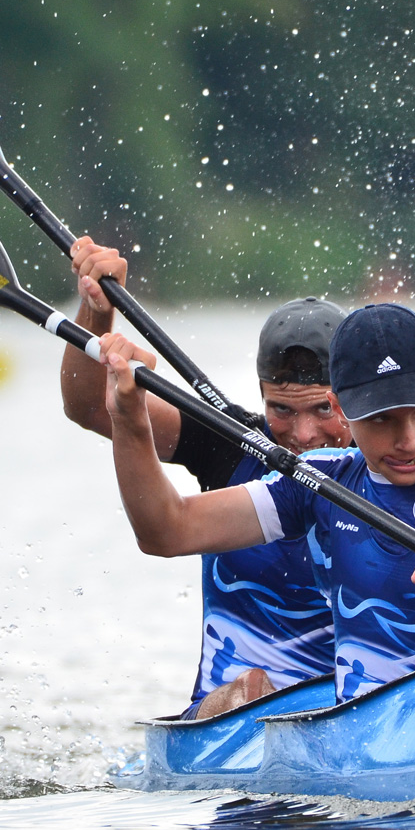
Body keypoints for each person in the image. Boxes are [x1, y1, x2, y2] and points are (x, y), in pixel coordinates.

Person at [99, 303, 415, 702]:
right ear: (343, 407)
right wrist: (130, 420)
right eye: (384, 420)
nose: (410, 439)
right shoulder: (319, 482)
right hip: (362, 737)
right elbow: (167, 530)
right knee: (251, 689)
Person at [59, 237, 355, 718]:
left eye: (325, 409)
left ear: (358, 395)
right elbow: (89, 406)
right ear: (261, 393)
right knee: (253, 687)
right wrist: (97, 315)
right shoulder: (230, 445)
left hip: (355, 712)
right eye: (280, 409)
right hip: (231, 716)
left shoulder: (392, 471)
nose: (304, 435)